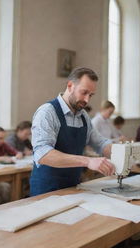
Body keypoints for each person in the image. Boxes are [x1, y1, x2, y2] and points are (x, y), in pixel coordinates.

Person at [30, 67, 115, 196]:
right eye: (84, 92)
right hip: (46, 191)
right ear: (70, 86)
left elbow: (100, 143)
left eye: (91, 95)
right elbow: (43, 154)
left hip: (73, 188)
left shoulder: (83, 116)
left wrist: (124, 153)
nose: (87, 100)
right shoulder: (47, 112)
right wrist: (87, 161)